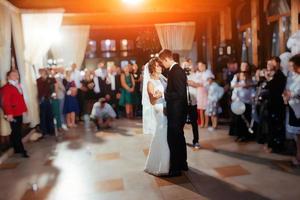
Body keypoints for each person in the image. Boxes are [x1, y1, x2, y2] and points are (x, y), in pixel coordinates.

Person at [159, 49, 188, 177]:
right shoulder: (175, 70)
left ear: (166, 59)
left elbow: (180, 93)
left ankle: (176, 168)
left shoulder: (176, 71)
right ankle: (182, 163)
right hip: (178, 111)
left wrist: (165, 94)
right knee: (179, 138)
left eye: (162, 62)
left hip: (177, 111)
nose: (162, 65)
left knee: (174, 139)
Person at [144, 57, 170, 176]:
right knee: (161, 134)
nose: (160, 67)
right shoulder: (150, 82)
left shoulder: (162, 79)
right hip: (159, 110)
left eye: (160, 65)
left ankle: (168, 163)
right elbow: (152, 101)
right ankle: (161, 166)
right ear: (152, 68)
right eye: (157, 66)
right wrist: (157, 96)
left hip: (167, 108)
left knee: (165, 135)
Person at [1, 70, 29, 158]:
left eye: (17, 74)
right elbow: (5, 102)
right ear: (8, 77)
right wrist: (9, 114)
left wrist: (25, 109)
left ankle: (17, 148)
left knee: (16, 131)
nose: (16, 76)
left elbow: (20, 99)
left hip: (18, 112)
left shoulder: (17, 85)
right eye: (13, 75)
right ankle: (21, 150)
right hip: (12, 113)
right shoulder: (7, 87)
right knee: (17, 132)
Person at [230, 62, 255, 142]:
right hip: (238, 101)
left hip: (247, 101)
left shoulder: (251, 76)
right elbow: (232, 85)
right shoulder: (237, 76)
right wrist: (242, 85)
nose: (244, 67)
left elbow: (253, 86)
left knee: (247, 118)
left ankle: (246, 135)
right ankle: (238, 135)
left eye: (246, 66)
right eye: (243, 65)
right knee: (238, 119)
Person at [283, 54, 300, 166]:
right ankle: (299, 155)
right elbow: (287, 89)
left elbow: (296, 92)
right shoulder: (291, 75)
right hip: (294, 108)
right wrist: (286, 95)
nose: (291, 68)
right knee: (298, 136)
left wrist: (291, 94)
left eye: (293, 66)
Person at [36, 68, 55, 136]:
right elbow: (39, 90)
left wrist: (54, 94)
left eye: (43, 72)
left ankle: (51, 130)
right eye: (40, 72)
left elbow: (53, 88)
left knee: (50, 115)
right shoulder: (38, 80)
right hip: (42, 99)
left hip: (49, 98)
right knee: (43, 115)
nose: (42, 73)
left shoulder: (50, 79)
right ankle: (44, 131)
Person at [186, 65, 200, 148]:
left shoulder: (195, 75)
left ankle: (196, 141)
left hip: (193, 102)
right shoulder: (181, 75)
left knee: (194, 123)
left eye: (188, 67)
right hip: (183, 102)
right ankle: (181, 141)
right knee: (181, 123)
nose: (187, 68)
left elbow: (199, 85)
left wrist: (191, 83)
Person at [195, 62, 210, 127]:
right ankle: (202, 123)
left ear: (204, 65)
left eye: (201, 66)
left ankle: (207, 123)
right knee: (201, 108)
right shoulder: (197, 74)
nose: (200, 67)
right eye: (199, 66)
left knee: (206, 108)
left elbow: (209, 81)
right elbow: (195, 82)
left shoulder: (208, 72)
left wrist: (202, 84)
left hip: (206, 91)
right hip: (199, 91)